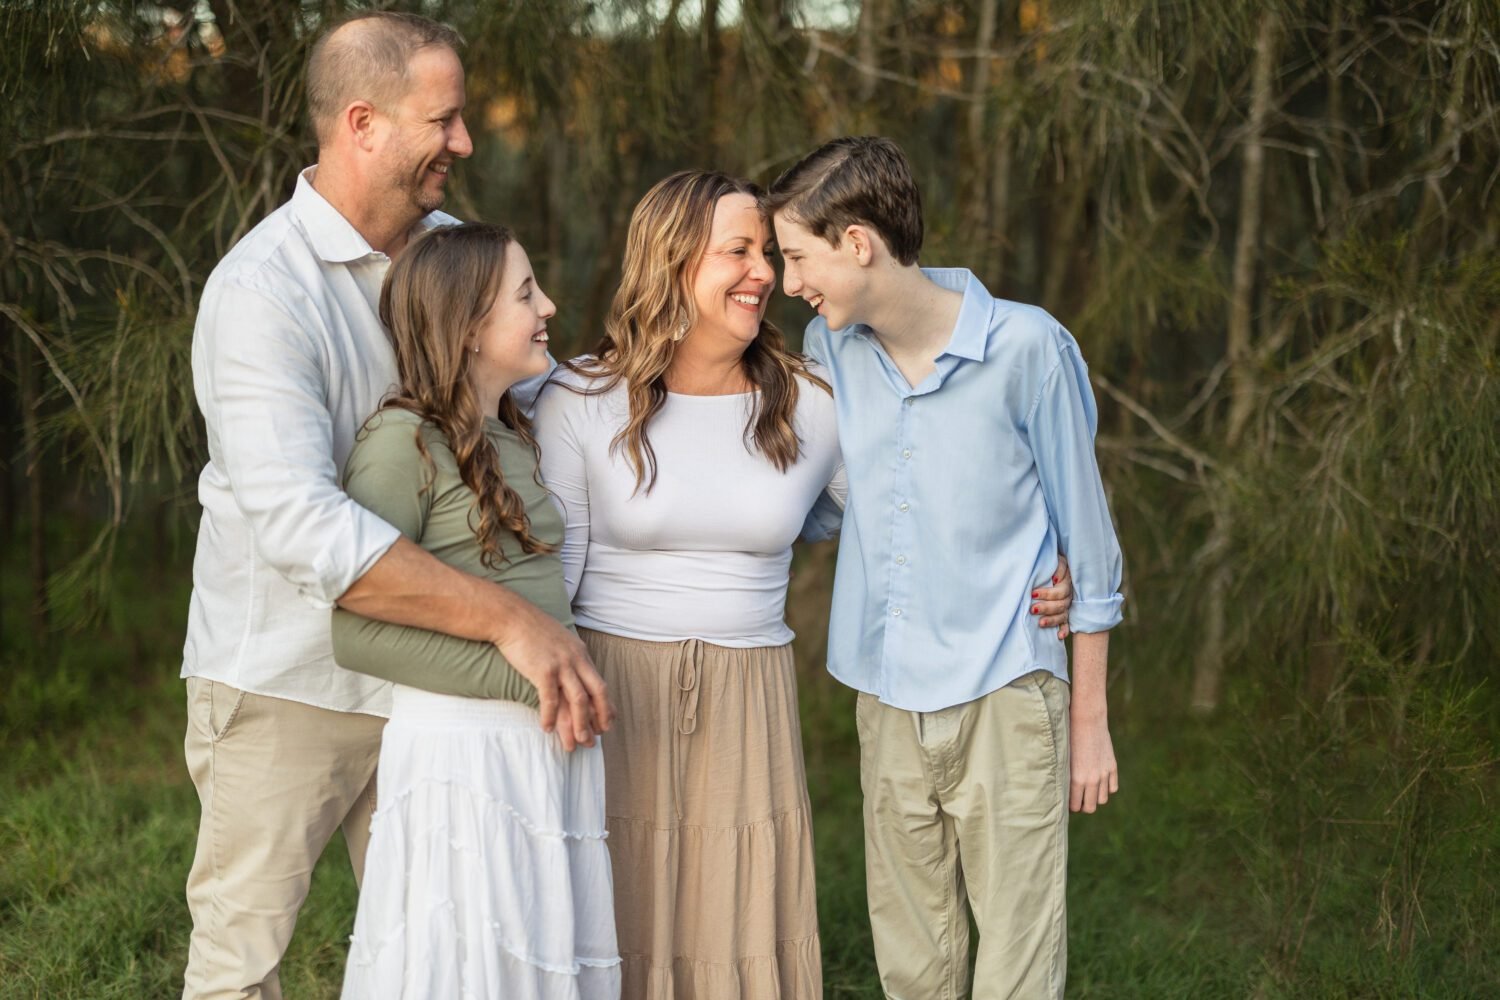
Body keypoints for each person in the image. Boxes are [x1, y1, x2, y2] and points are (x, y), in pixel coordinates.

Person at [533, 170, 1078, 997]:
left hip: (749, 690)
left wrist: (1045, 560)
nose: (767, 275)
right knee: (620, 908)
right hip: (613, 684)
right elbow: (552, 579)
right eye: (740, 252)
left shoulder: (811, 400)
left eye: (770, 252)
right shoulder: (580, 398)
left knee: (740, 916)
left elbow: (912, 510)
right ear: (671, 261)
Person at [181, 13, 608, 999]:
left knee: (442, 951)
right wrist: (513, 621)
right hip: (286, 678)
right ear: (363, 123)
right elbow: (302, 522)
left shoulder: (456, 252)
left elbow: (539, 405)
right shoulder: (262, 291)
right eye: (444, 119)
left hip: (440, 693)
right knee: (243, 960)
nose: (464, 142)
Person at [769, 136, 1124, 1000]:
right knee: (912, 961)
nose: (789, 284)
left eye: (796, 257)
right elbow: (822, 504)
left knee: (1017, 960)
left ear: (858, 244)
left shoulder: (1029, 349)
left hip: (1005, 692)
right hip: (884, 696)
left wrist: (1088, 722)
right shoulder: (829, 346)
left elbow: (1092, 546)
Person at [331, 223, 619, 999]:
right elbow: (355, 630)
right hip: (464, 757)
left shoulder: (513, 435)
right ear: (465, 326)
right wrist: (530, 674)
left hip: (543, 755)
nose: (549, 306)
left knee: (537, 960)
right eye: (526, 294)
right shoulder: (402, 443)